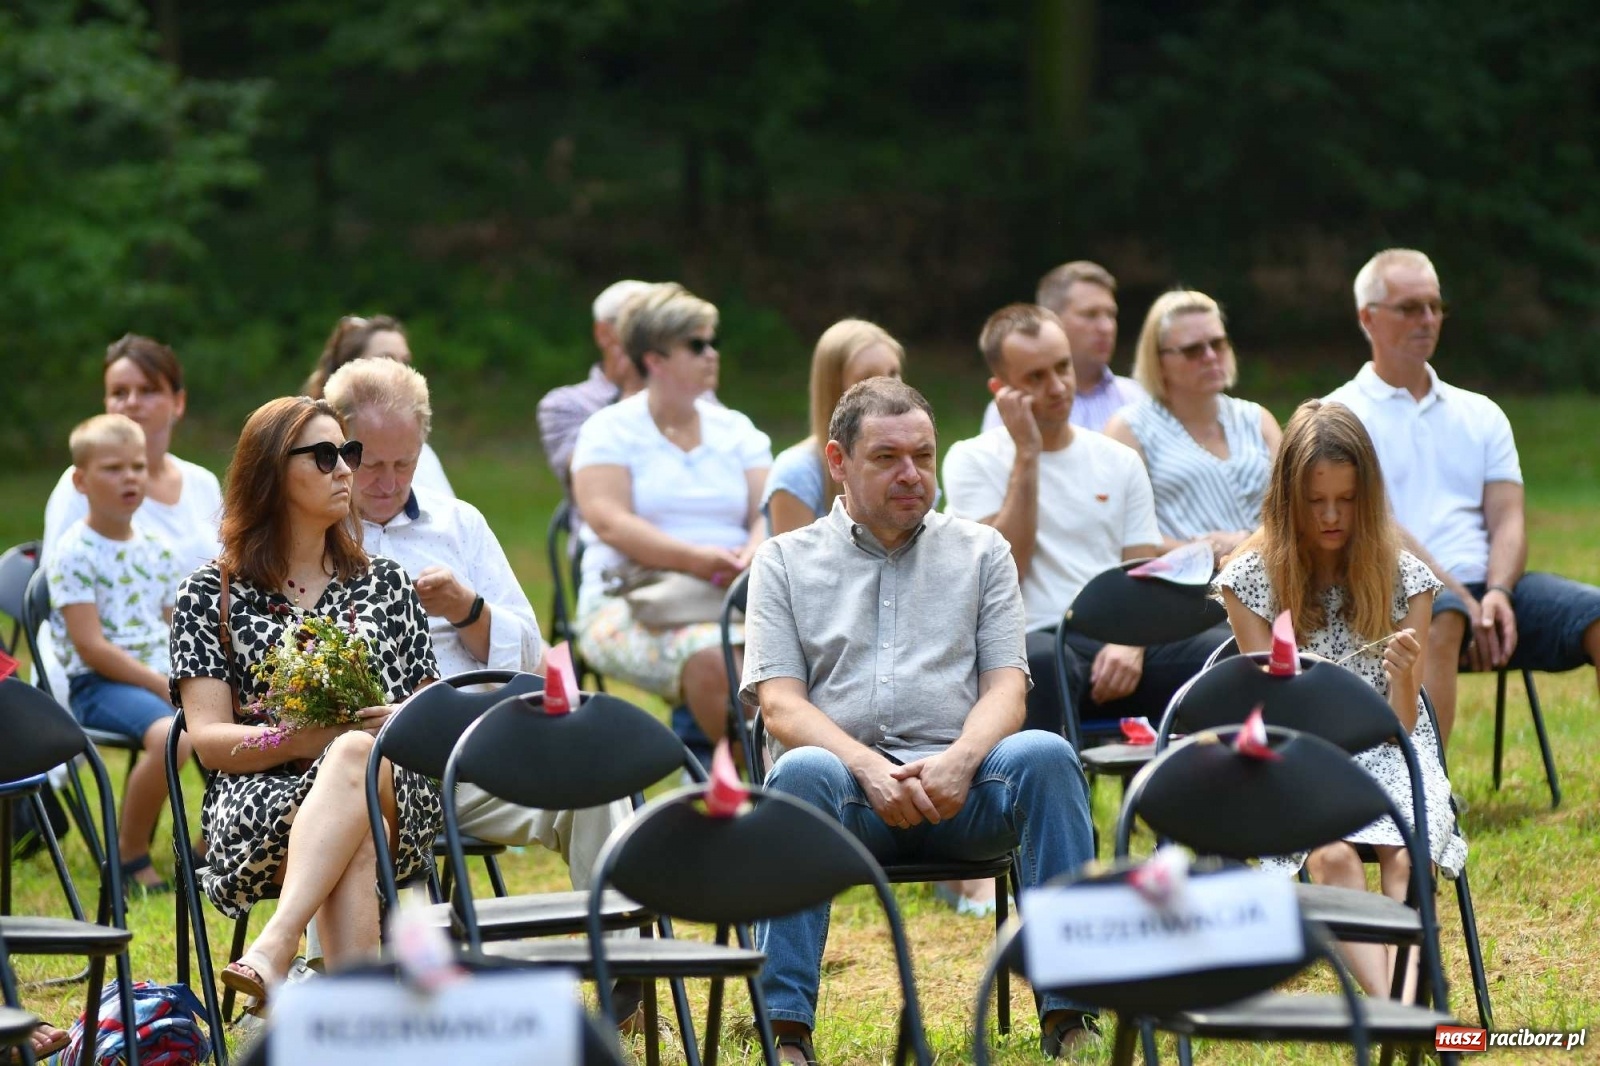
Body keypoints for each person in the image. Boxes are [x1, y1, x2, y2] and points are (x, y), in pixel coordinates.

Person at [742, 378, 1098, 1064]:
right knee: (800, 770)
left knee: (1046, 755)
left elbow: (1007, 690)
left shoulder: (983, 552)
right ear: (838, 461)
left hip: (966, 790)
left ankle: (1070, 1014)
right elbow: (780, 704)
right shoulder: (784, 561)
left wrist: (962, 759)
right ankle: (785, 1031)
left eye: (923, 456)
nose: (911, 473)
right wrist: (867, 767)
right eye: (887, 458)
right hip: (845, 795)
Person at [169, 396, 440, 1011]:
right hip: (261, 798)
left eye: (347, 452)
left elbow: (430, 704)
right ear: (269, 472)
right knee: (355, 824)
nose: (345, 470)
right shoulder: (209, 594)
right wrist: (298, 739)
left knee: (356, 756)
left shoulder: (386, 582)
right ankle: (356, 1025)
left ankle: (276, 944)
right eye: (323, 456)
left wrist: (398, 719)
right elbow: (209, 742)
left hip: (396, 786)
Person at [323, 357, 630, 891]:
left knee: (595, 781)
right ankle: (370, 940)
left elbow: (531, 656)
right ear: (340, 450)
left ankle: (623, 943)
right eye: (371, 464)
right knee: (363, 811)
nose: (389, 482)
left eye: (406, 462)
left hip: (473, 750)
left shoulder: (458, 524)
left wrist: (468, 609)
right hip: (367, 764)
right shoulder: (315, 534)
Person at [1213, 399, 1466, 997]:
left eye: (1347, 500)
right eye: (1315, 501)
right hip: (1297, 758)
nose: (1331, 516)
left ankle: (1402, 1000)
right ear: (1288, 501)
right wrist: (1306, 689)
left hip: (1389, 748)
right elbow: (1270, 715)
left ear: (1367, 499)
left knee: (1406, 853)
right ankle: (1400, 1009)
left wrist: (1403, 678)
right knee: (1330, 857)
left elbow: (1401, 724)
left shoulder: (1405, 578)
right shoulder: (1250, 579)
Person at [1326, 248, 1600, 745]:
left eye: (1435, 306)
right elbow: (1374, 525)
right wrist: (1459, 596)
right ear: (1368, 318)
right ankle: (1426, 785)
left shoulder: (1481, 412)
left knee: (1596, 616)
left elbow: (1508, 518)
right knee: (1441, 615)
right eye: (1410, 308)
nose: (1428, 319)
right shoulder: (1338, 416)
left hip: (1489, 594)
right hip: (1384, 592)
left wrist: (1497, 593)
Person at [943, 304, 1226, 740]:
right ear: (1001, 391)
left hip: (1121, 640)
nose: (1057, 386)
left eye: (1063, 367)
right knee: (1036, 662)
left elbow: (1142, 572)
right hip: (1036, 641)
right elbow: (1009, 570)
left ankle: (1210, 780)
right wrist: (1028, 455)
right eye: (1036, 377)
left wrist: (1130, 644)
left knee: (1223, 651)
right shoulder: (972, 459)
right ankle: (1044, 781)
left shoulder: (1118, 460)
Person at [571, 284, 770, 742]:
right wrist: (696, 560)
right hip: (630, 599)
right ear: (654, 359)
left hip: (733, 595)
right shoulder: (608, 430)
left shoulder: (737, 430)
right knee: (715, 658)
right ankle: (740, 770)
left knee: (790, 655)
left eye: (713, 342)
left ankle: (742, 768)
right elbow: (608, 521)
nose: (712, 354)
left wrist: (753, 550)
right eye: (696, 345)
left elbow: (767, 509)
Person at [45, 414, 191, 893]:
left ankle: (211, 845)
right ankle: (127, 853)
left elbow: (175, 626)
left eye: (137, 466)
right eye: (112, 468)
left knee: (235, 718)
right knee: (174, 737)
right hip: (99, 684)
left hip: (160, 677)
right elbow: (91, 647)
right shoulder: (74, 552)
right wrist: (161, 684)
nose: (130, 477)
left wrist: (192, 678)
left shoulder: (157, 547)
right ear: (80, 481)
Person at [39, 334, 223, 700]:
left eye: (148, 390)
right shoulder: (81, 487)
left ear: (178, 402)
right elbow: (55, 592)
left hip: (180, 657)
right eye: (119, 392)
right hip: (99, 676)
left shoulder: (201, 482)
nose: (132, 402)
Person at [1103, 289, 1282, 558]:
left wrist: (1246, 543)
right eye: (1192, 350)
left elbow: (1295, 508)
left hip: (1270, 570)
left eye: (1218, 343)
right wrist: (1201, 552)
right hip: (1181, 578)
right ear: (1158, 360)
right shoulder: (1129, 429)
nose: (1210, 356)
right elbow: (1118, 528)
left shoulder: (1258, 419)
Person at [763, 318, 904, 534]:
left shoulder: (911, 466)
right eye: (868, 378)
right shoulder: (798, 473)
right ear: (834, 389)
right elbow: (793, 556)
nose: (888, 388)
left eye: (893, 373)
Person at [980, 260, 1145, 433]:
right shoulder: (1012, 409)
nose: (1106, 327)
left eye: (1111, 314)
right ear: (1051, 319)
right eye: (1090, 314)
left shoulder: (1138, 398)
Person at [302, 314, 453, 499]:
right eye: (385, 360)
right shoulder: (310, 457)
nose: (399, 370)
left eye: (405, 361)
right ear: (346, 370)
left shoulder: (424, 456)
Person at [537, 279, 656, 493]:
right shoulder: (565, 404)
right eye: (637, 324)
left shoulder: (695, 396)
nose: (654, 335)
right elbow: (590, 475)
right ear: (603, 333)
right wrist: (634, 390)